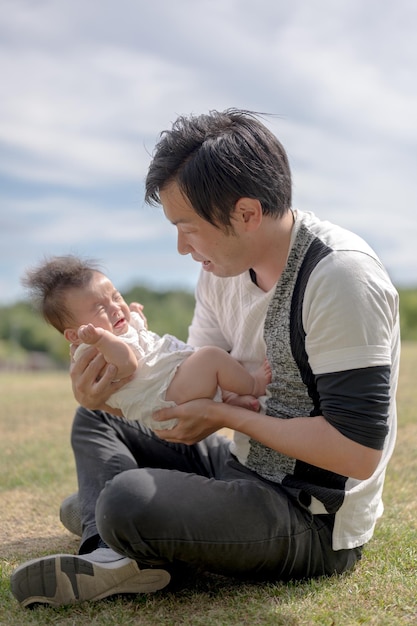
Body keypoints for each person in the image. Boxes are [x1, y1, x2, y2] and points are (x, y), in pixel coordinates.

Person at [11, 109, 400, 609]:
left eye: (188, 227)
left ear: (246, 213)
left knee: (124, 499)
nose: (180, 247)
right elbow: (187, 387)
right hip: (240, 465)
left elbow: (356, 453)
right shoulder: (220, 272)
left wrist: (222, 414)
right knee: (95, 428)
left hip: (307, 512)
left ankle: (120, 528)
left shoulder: (339, 277)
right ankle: (110, 546)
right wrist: (112, 396)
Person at [21, 255, 270, 431]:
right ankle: (254, 383)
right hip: (165, 397)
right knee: (212, 358)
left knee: (207, 366)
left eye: (115, 297)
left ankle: (228, 398)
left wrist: (135, 313)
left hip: (172, 386)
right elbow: (128, 364)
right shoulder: (95, 347)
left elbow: (137, 335)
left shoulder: (116, 329)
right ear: (74, 335)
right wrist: (101, 339)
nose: (115, 307)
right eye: (99, 308)